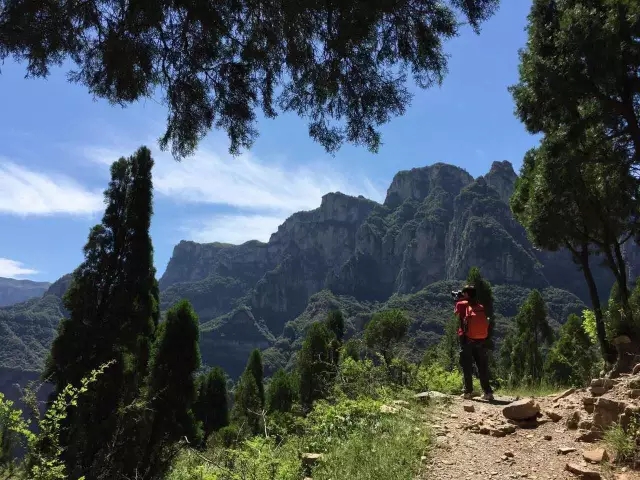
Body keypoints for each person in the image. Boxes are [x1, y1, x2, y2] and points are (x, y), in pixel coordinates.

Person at [454, 284, 494, 401]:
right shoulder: (480, 306)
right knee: (482, 366)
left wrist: (458, 300)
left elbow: (456, 314)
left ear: (466, 294)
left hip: (466, 339)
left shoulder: (461, 304)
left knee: (467, 365)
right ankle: (488, 392)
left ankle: (468, 392)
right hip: (481, 340)